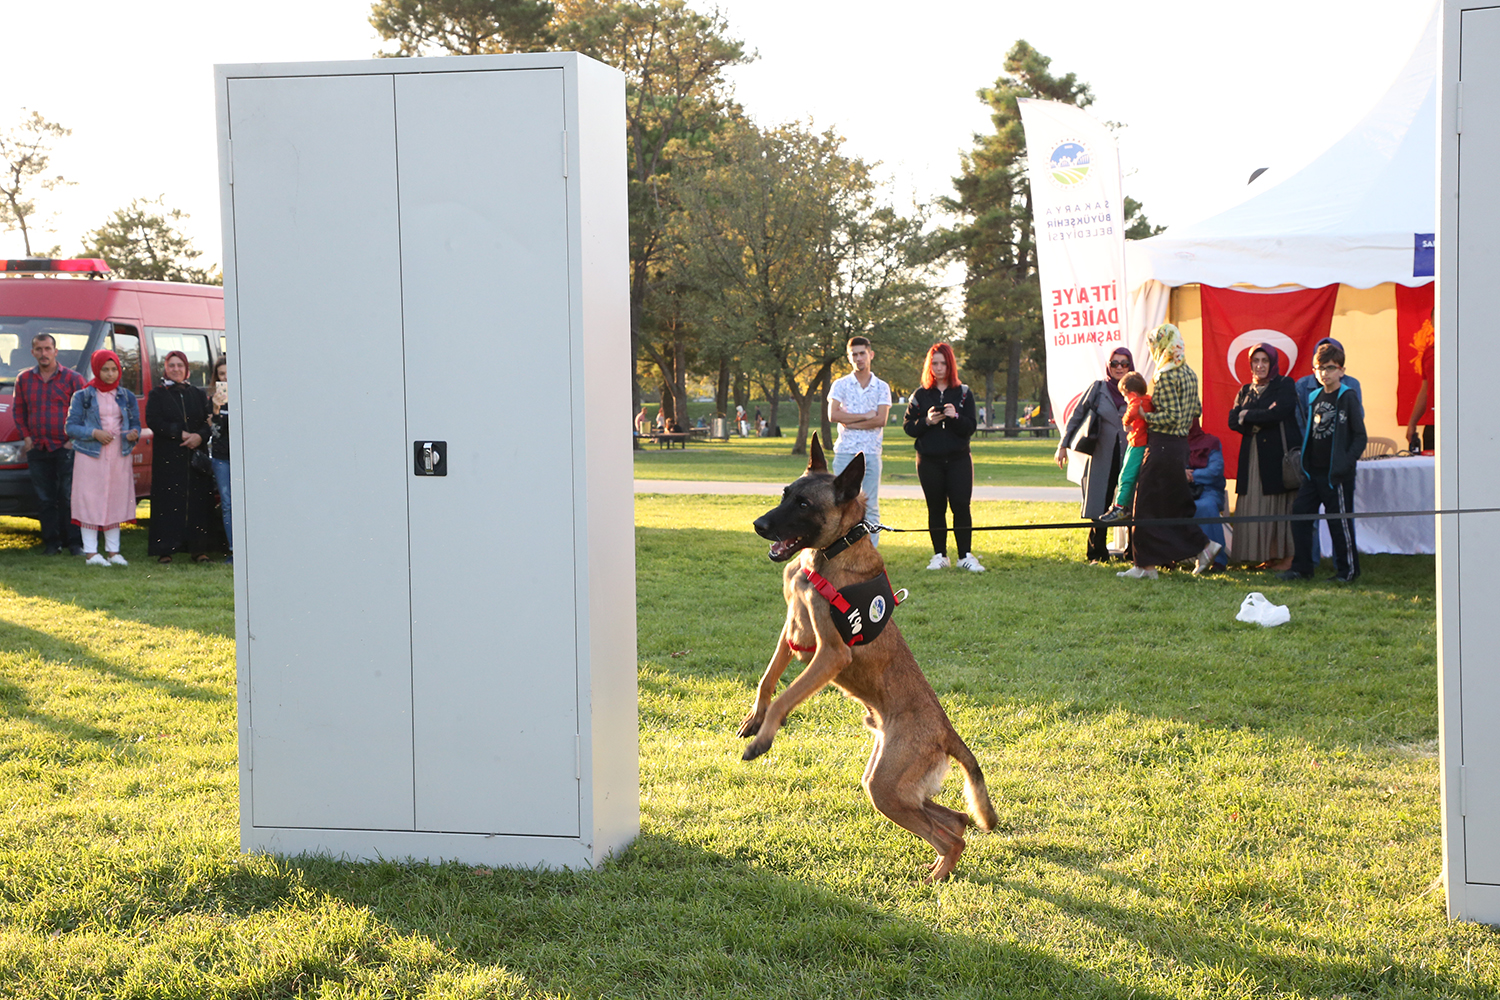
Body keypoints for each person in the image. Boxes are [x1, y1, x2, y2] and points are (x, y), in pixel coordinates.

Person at [1121, 324, 1219, 579]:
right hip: (1181, 446)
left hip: (1162, 445)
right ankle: (1198, 548)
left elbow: (1171, 416)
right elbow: (1195, 410)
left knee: (1144, 504)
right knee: (1172, 504)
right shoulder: (1189, 372)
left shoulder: (1165, 375)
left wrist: (1144, 414)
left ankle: (1146, 566)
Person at [1282, 342, 1367, 583]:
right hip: (1313, 472)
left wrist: (1345, 464)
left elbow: (1359, 435)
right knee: (1300, 513)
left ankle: (1347, 571)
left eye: (1330, 368)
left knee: (1338, 522)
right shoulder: (1313, 396)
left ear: (1342, 370)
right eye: (1320, 368)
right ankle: (1302, 567)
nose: (1325, 373)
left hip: (1336, 474)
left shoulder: (1347, 396)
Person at [903, 343, 984, 572]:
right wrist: (927, 421)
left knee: (961, 505)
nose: (938, 368)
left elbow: (970, 427)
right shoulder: (920, 394)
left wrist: (954, 416)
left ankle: (965, 555)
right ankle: (939, 555)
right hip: (929, 460)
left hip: (958, 459)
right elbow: (909, 427)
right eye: (934, 363)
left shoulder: (964, 393)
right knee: (935, 507)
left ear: (950, 365)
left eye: (943, 363)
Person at [12, 333, 87, 555]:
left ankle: (75, 543)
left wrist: (73, 441)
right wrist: (26, 438)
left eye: (47, 349)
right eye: (39, 349)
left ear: (56, 351)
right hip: (37, 447)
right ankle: (52, 543)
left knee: (68, 497)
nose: (43, 353)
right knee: (45, 499)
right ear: (33, 352)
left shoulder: (73, 379)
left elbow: (87, 411)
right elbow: (19, 410)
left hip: (65, 447)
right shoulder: (24, 379)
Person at [1055, 348, 1133, 563]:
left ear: (1130, 366)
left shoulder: (1136, 389)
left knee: (1131, 504)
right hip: (1102, 456)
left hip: (1130, 457)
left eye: (1124, 363)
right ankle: (1097, 553)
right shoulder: (1098, 388)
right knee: (1099, 502)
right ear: (1108, 365)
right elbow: (1076, 416)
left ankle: (1134, 553)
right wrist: (1063, 446)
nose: (1119, 368)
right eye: (1114, 363)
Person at [65, 349, 141, 566]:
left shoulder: (126, 396)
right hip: (91, 455)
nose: (110, 374)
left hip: (119, 454)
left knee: (115, 500)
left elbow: (135, 423)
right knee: (90, 500)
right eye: (105, 369)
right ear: (97, 370)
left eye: (114, 369)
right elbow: (71, 427)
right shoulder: (83, 395)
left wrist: (132, 434)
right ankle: (91, 554)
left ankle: (113, 552)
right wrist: (94, 433)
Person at [1227, 343, 1299, 571]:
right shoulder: (1245, 390)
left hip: (1277, 459)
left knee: (1279, 507)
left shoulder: (1284, 385)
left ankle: (1286, 560)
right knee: (1255, 504)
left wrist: (1247, 415)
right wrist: (1260, 417)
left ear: (1273, 363)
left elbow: (1280, 412)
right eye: (1256, 361)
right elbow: (1231, 420)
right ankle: (1266, 557)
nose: (1260, 366)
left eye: (1264, 361)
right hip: (1252, 458)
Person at [145, 350, 216, 563]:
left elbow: (208, 422)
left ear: (186, 369)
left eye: (180, 366)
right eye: (171, 365)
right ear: (165, 369)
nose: (176, 369)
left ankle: (198, 549)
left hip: (195, 457)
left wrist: (199, 436)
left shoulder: (197, 394)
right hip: (169, 457)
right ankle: (165, 550)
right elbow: (153, 420)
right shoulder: (157, 394)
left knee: (198, 503)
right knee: (167, 502)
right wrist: (180, 433)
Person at [827, 336, 892, 545]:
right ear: (849, 358)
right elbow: (833, 415)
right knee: (838, 503)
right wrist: (865, 416)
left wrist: (852, 420)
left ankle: (870, 550)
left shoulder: (882, 387)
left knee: (869, 504)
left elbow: (881, 419)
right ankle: (838, 549)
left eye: (862, 353)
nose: (858, 358)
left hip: (871, 453)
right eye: (854, 354)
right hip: (845, 450)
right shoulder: (840, 385)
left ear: (870, 355)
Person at [1097, 370, 1152, 522]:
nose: (1125, 400)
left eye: (1124, 396)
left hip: (1137, 443)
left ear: (1131, 394)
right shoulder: (1149, 399)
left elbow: (1133, 409)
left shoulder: (1136, 401)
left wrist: (1126, 422)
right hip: (1142, 442)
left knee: (1125, 476)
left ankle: (1120, 507)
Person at [1186, 419, 1229, 572]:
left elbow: (1215, 470)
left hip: (1208, 490)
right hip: (1181, 491)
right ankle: (1168, 557)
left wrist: (1192, 476)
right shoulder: (1175, 443)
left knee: (1206, 506)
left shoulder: (1211, 442)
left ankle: (1217, 561)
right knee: (1166, 506)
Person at [209, 357, 233, 563]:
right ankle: (234, 550)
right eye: (222, 374)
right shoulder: (217, 399)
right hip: (222, 457)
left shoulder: (246, 395)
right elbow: (216, 433)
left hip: (244, 458)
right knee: (226, 503)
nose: (226, 377)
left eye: (228, 373)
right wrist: (216, 411)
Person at [1404, 317, 1434, 453]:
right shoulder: (1429, 352)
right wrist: (1412, 423)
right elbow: (1425, 390)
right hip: (1433, 422)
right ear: (1432, 322)